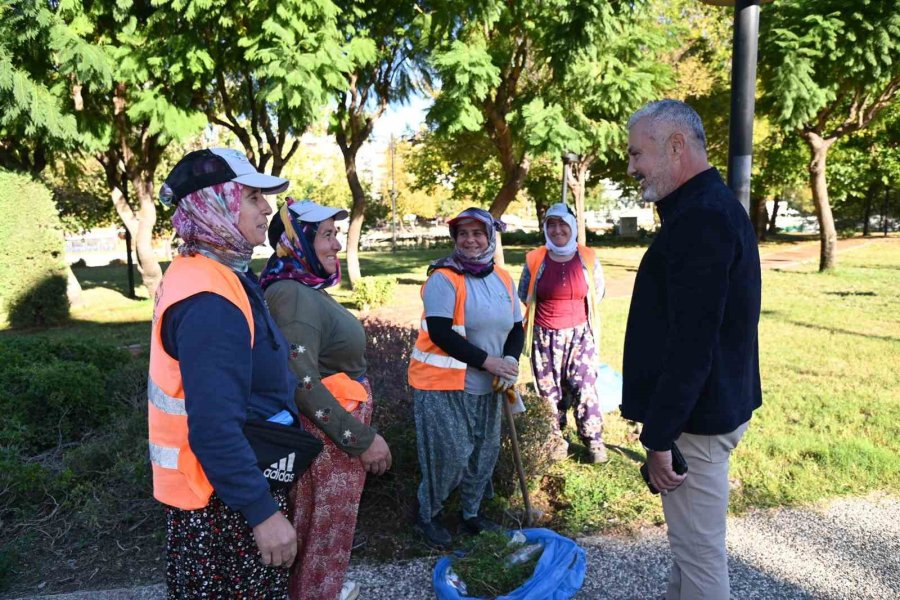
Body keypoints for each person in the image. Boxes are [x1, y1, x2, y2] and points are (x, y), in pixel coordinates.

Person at [620, 99, 762, 599]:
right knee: (689, 549)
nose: (632, 165)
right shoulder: (705, 209)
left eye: (638, 154)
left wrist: (659, 437)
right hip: (705, 410)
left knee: (700, 557)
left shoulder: (702, 218)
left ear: (675, 146)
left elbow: (693, 342)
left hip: (696, 423)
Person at [148, 148, 298, 597]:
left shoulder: (215, 273)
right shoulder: (209, 299)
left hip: (223, 491)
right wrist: (262, 514)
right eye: (253, 197)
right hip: (223, 505)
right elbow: (213, 428)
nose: (267, 209)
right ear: (217, 203)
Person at [261, 198, 392, 600]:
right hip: (330, 444)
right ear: (297, 241)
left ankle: (320, 591)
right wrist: (359, 438)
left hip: (332, 437)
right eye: (327, 235)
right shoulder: (294, 295)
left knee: (323, 538)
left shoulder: (301, 286)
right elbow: (301, 381)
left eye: (336, 234)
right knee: (322, 538)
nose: (337, 244)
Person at [408, 207, 525, 548]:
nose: (470, 240)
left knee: (483, 454)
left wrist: (509, 360)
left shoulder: (502, 277)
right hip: (443, 386)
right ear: (455, 239)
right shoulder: (443, 279)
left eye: (478, 233)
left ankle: (471, 514)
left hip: (488, 385)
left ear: (490, 237)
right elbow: (442, 333)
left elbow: (516, 327)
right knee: (450, 455)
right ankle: (426, 515)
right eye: (463, 234)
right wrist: (489, 361)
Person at [518, 202, 608, 463]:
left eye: (562, 224)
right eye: (551, 224)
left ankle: (594, 441)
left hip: (580, 335)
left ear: (572, 226)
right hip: (544, 337)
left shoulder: (587, 257)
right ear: (545, 228)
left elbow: (598, 293)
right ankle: (556, 440)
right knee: (549, 392)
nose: (557, 230)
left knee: (584, 386)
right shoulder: (535, 258)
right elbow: (524, 293)